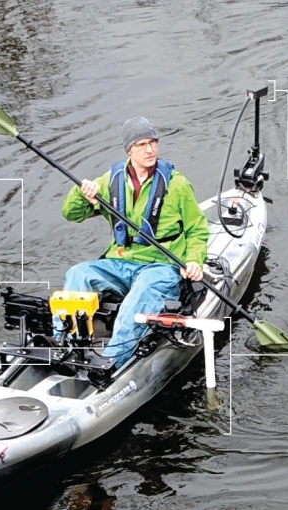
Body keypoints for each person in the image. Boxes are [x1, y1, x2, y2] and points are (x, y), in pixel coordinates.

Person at [59, 116, 209, 365]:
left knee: (138, 298)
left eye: (153, 142)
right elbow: (71, 214)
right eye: (141, 144)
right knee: (77, 274)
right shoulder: (109, 181)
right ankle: (65, 343)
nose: (149, 149)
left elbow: (197, 229)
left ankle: (112, 362)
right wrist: (82, 194)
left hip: (162, 266)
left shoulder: (178, 184)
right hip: (122, 262)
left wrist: (194, 261)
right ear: (129, 150)